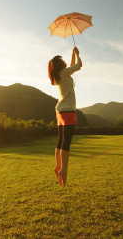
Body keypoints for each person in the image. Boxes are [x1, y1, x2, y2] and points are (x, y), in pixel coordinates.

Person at [48, 47, 82, 187]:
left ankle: (58, 166)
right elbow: (78, 66)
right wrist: (78, 55)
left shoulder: (58, 76)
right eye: (62, 60)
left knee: (61, 140)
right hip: (68, 111)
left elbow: (72, 67)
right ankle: (64, 170)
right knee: (66, 142)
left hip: (60, 112)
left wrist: (72, 55)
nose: (64, 61)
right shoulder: (64, 73)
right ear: (59, 65)